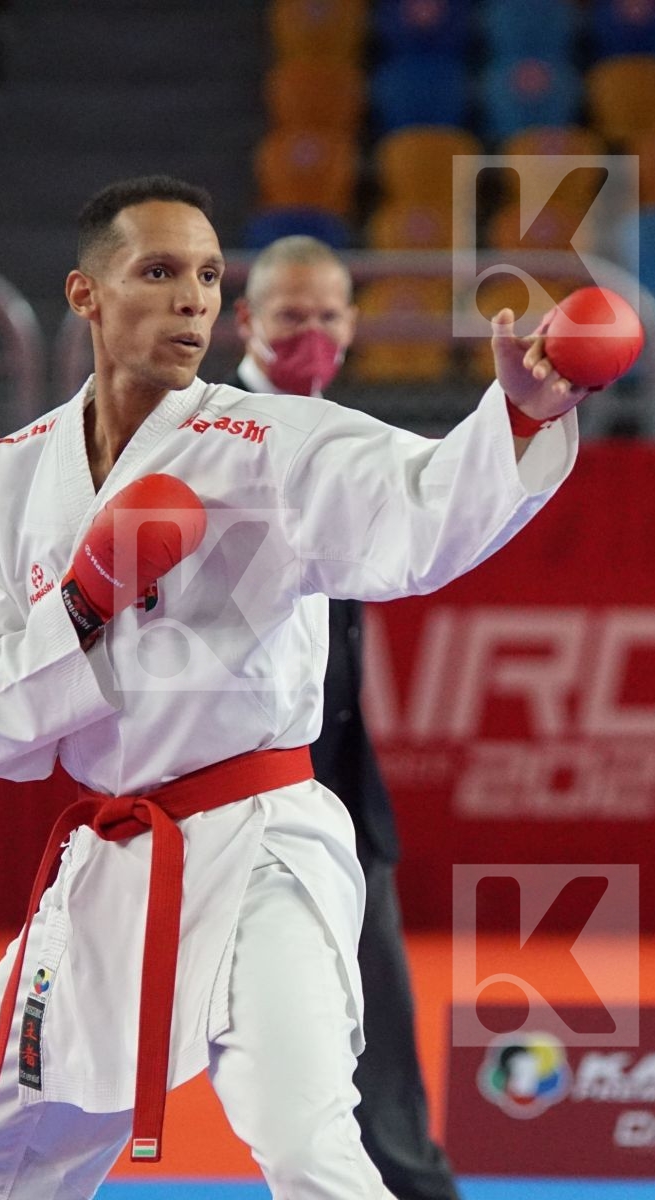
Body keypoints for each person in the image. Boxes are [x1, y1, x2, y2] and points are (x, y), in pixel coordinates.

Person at [0, 176, 589, 1199]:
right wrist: (83, 603)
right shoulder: (20, 471)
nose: (194, 299)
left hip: (261, 853)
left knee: (307, 1151)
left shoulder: (268, 441)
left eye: (209, 275)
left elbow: (419, 517)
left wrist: (513, 421)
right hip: (105, 874)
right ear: (85, 295)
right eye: (160, 272)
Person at [232, 235, 462, 1200]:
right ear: (245, 322)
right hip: (216, 796)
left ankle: (410, 1189)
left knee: (379, 1025)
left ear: (354, 326)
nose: (313, 334)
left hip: (337, 795)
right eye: (291, 316)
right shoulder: (204, 433)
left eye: (329, 316)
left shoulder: (347, 434)